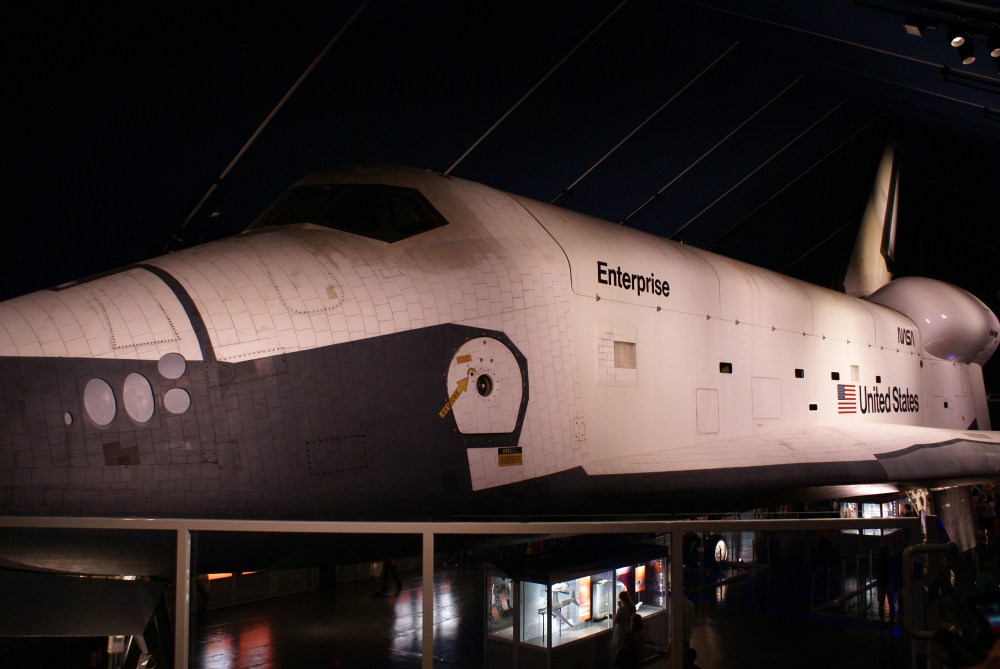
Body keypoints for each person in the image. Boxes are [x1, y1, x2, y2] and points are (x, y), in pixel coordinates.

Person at [609, 590, 635, 666]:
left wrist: (619, 608)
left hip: (620, 632)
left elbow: (615, 620)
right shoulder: (632, 608)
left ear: (621, 599)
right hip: (628, 631)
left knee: (618, 649)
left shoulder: (621, 609)